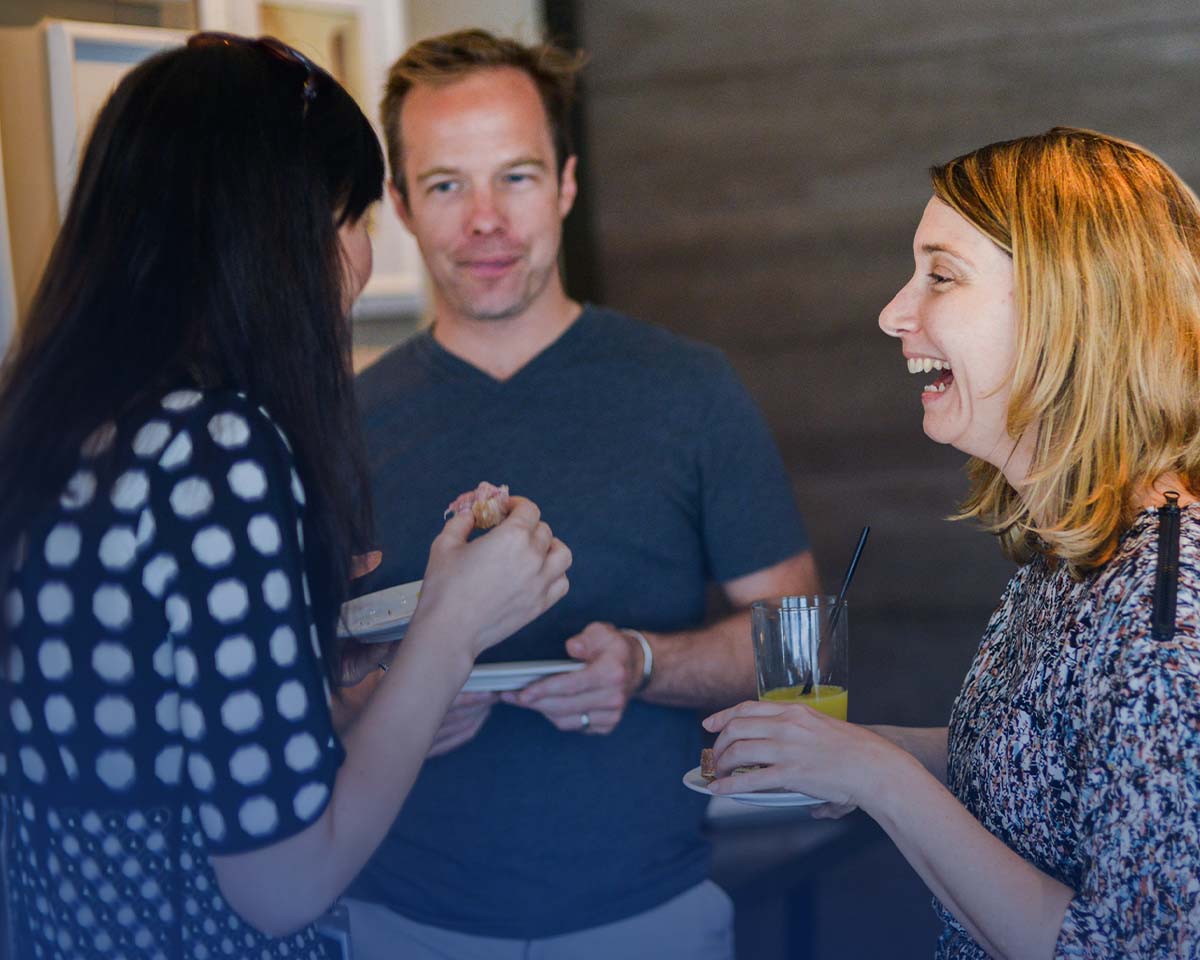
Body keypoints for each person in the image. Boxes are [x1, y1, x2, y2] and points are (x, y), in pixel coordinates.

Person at [0, 33, 570, 960]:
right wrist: (452, 625)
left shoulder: (61, 430)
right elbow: (280, 882)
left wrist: (346, 690)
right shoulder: (215, 445)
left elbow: (169, 754)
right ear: (280, 230)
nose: (354, 265)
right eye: (354, 222)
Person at [340, 28, 820, 960]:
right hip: (397, 922)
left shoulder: (690, 389)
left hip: (651, 916)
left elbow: (797, 645)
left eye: (515, 177)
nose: (485, 218)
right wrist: (388, 706)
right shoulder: (337, 421)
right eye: (446, 184)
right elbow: (291, 686)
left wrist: (645, 664)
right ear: (398, 203)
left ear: (565, 183)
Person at [706, 127, 1200, 958]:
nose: (893, 312)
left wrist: (879, 778)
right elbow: (1058, 765)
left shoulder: (1167, 613)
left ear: (1070, 308)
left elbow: (1121, 949)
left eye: (941, 275)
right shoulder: (1076, 549)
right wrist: (858, 752)